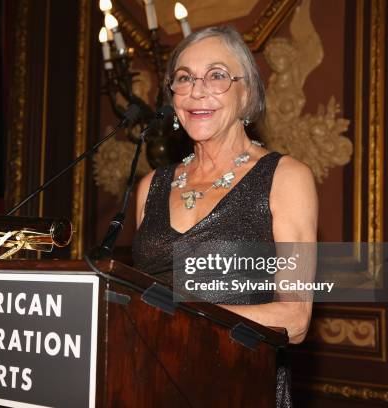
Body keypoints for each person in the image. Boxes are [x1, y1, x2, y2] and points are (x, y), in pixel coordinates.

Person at [132, 26, 317, 407]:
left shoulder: (285, 178)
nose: (197, 91)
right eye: (184, 78)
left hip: (240, 386)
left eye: (217, 75)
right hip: (149, 384)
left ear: (246, 92)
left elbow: (296, 319)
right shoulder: (149, 186)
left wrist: (176, 313)